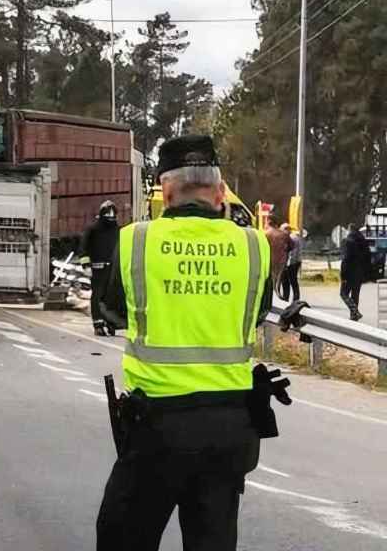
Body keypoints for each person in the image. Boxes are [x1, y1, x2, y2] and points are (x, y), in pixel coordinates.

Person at [96, 134, 289, 551]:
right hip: (230, 429)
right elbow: (256, 315)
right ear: (220, 192)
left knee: (122, 537)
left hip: (158, 427)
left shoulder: (135, 240)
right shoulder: (254, 245)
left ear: (165, 191)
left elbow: (111, 313)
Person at [80, 200, 120, 336]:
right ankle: (98, 323)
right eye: (108, 217)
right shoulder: (92, 230)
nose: (111, 220)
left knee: (111, 297)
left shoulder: (117, 229)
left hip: (113, 269)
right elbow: (83, 248)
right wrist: (86, 266)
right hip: (97, 270)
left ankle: (110, 321)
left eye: (113, 218)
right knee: (97, 297)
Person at [339, 222, 370, 321]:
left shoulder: (348, 241)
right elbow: (368, 257)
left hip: (350, 273)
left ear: (349, 230)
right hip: (360, 273)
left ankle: (355, 311)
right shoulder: (363, 241)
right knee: (355, 294)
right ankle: (354, 316)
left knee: (343, 293)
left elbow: (346, 259)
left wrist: (343, 275)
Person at [280, 223, 302, 302]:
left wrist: (287, 265)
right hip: (295, 261)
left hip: (292, 263)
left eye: (282, 230)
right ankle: (291, 297)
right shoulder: (292, 237)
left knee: (289, 280)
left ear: (287, 230)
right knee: (290, 280)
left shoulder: (292, 238)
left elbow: (292, 253)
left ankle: (290, 298)